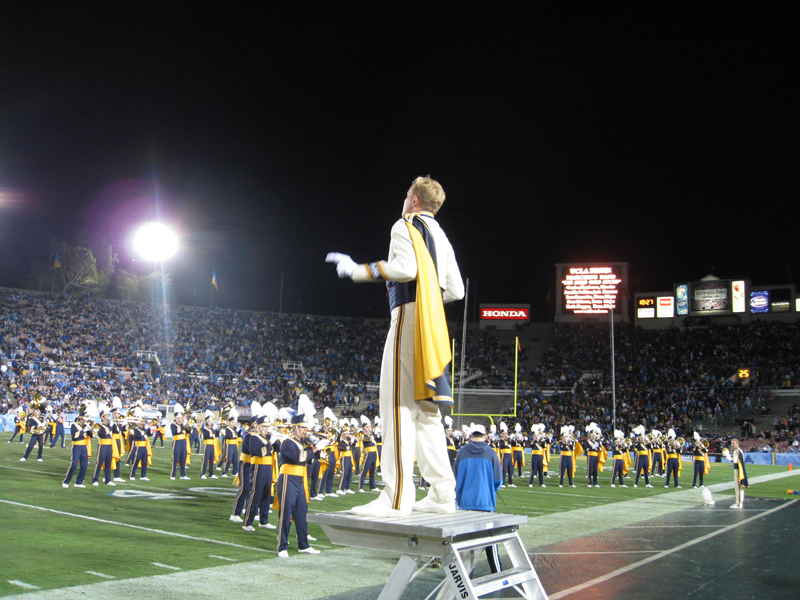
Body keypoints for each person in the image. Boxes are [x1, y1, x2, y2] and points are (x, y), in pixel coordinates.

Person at [326, 176, 464, 517]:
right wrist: (431, 301)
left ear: (415, 200)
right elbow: (456, 290)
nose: (404, 200)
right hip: (433, 324)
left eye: (406, 195)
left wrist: (356, 270)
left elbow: (406, 268)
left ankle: (397, 496)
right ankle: (443, 493)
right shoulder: (442, 236)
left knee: (397, 406)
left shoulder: (404, 224)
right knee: (426, 411)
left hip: (409, 319)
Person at [453, 424, 502, 573]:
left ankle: (466, 576)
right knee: (491, 543)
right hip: (485, 503)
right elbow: (498, 480)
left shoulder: (461, 452)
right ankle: (497, 573)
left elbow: (455, 479)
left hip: (465, 504)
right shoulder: (491, 453)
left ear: (471, 435)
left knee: (466, 546)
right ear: (485, 436)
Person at [275, 413, 320, 557]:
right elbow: (298, 457)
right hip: (288, 478)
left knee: (302, 513)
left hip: (301, 479)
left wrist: (318, 451)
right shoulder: (288, 442)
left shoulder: (303, 443)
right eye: (302, 427)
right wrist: (314, 449)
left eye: (306, 428)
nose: (305, 430)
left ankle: (303, 544)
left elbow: (307, 460)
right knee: (286, 513)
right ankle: (282, 546)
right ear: (295, 428)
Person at [63, 412, 93, 488]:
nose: (85, 421)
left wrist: (91, 429)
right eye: (84, 419)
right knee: (74, 464)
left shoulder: (85, 426)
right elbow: (74, 436)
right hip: (76, 446)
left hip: (84, 446)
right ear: (80, 419)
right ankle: (66, 481)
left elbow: (91, 435)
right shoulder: (74, 425)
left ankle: (79, 482)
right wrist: (84, 430)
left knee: (84, 465)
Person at [91, 408, 117, 486]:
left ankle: (108, 480)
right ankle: (95, 480)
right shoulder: (100, 425)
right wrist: (111, 426)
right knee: (99, 462)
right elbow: (103, 434)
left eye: (108, 415)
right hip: (103, 445)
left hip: (109, 445)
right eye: (106, 415)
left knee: (108, 463)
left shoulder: (110, 424)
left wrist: (114, 424)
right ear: (102, 417)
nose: (108, 417)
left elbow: (116, 432)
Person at [725, 438, 749, 509]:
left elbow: (738, 462)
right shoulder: (736, 451)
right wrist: (728, 456)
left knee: (738, 487)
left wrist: (728, 456)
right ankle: (738, 502)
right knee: (737, 487)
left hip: (738, 470)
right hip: (737, 469)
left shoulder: (738, 451)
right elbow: (734, 460)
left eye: (734, 443)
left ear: (737, 444)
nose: (732, 444)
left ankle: (739, 503)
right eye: (732, 443)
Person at [169, 408, 191, 480]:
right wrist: (182, 428)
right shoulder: (173, 425)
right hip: (177, 442)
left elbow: (189, 432)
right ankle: (173, 475)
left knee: (183, 459)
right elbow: (175, 432)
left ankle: (183, 475)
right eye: (179, 418)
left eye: (181, 418)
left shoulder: (182, 425)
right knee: (175, 459)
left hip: (183, 442)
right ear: (176, 418)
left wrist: (188, 426)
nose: (180, 419)